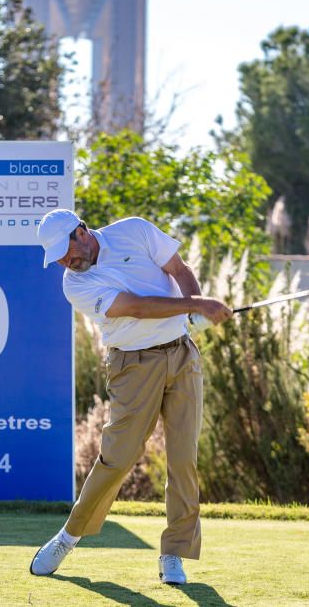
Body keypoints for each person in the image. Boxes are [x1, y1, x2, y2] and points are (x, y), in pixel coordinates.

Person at [30, 208, 233, 585]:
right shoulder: (74, 284)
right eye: (57, 257)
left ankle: (174, 553)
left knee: (183, 458)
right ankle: (68, 537)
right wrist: (195, 306)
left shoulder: (134, 231)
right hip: (133, 365)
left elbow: (179, 268)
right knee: (117, 458)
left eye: (66, 250)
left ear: (82, 231)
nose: (65, 261)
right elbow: (135, 307)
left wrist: (197, 305)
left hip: (182, 354)